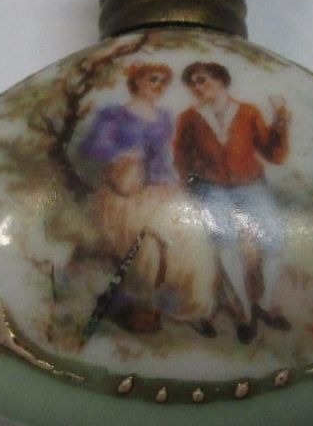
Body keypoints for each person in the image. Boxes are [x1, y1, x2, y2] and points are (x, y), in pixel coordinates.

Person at [79, 62, 218, 337]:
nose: (158, 86)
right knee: (152, 245)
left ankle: (192, 308)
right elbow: (94, 147)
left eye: (163, 82)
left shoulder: (164, 116)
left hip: (158, 189)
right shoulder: (114, 115)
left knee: (194, 238)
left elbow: (164, 158)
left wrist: (170, 183)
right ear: (137, 81)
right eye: (153, 79)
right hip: (122, 194)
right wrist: (122, 156)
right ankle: (146, 308)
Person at [174, 61, 291, 343]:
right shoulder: (189, 118)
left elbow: (274, 155)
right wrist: (192, 187)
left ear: (221, 81)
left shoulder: (248, 112)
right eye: (192, 83)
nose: (197, 87)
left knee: (274, 239)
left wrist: (280, 121)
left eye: (202, 80)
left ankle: (262, 306)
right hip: (210, 188)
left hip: (250, 185)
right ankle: (243, 314)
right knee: (225, 242)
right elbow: (181, 157)